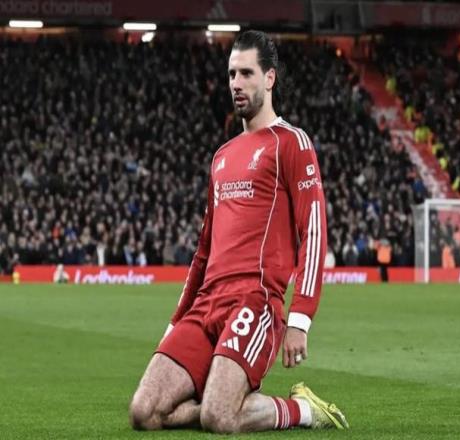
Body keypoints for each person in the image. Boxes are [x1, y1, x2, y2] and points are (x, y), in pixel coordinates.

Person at [129, 30, 349, 434]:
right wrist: (176, 321)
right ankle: (225, 398)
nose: (236, 83)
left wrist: (300, 317)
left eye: (246, 73)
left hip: (254, 301)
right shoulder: (222, 156)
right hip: (205, 306)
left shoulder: (291, 143)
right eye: (232, 74)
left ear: (270, 78)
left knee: (218, 417)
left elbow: (314, 231)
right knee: (143, 412)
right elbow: (203, 252)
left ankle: (301, 410)